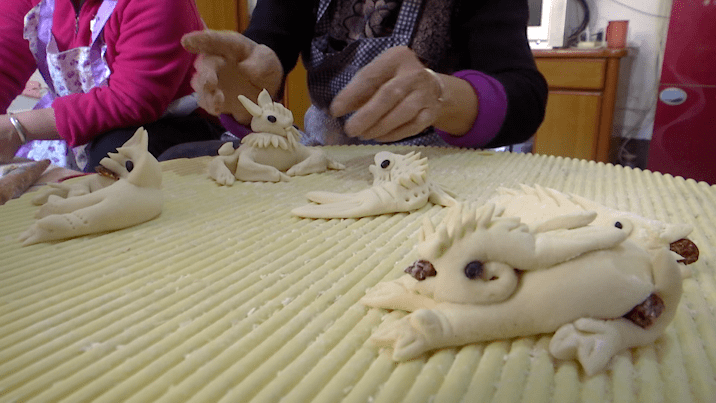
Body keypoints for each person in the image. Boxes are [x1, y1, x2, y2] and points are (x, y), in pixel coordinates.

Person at [177, 0, 548, 154]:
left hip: (445, 166)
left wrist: (440, 95)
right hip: (329, 160)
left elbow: (525, 97)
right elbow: (263, 50)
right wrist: (240, 90)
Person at [0, 0, 224, 172]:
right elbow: (4, 64)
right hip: (77, 125)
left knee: (114, 159)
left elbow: (130, 100)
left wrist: (19, 128)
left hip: (170, 125)